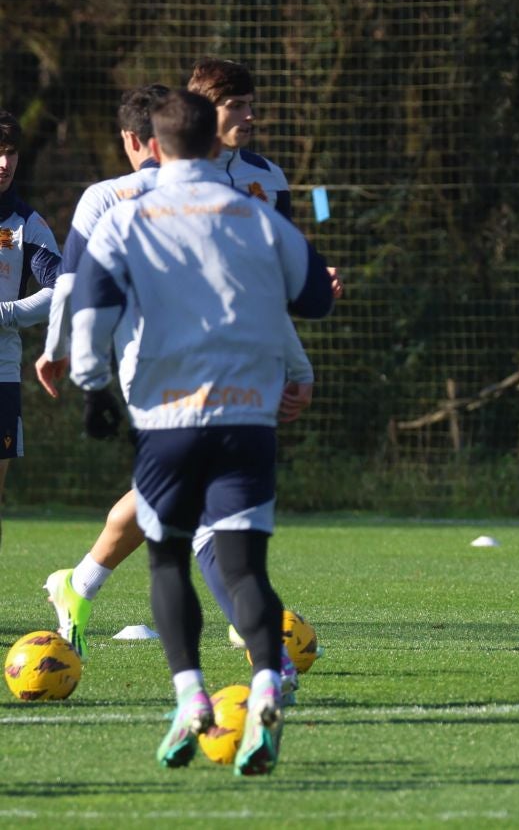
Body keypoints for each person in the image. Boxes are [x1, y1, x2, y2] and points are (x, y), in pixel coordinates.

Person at [68, 90, 334, 773]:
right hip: (248, 417)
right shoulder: (257, 216)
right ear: (216, 146)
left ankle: (191, 697)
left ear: (152, 148)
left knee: (167, 559)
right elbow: (308, 299)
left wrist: (93, 390)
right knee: (244, 566)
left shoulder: (127, 219)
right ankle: (269, 682)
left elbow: (92, 311)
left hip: (168, 422)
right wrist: (297, 368)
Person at [0, 110, 62, 551]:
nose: (4, 163)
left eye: (10, 153)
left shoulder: (26, 224)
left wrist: (6, 314)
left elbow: (64, 288)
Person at [186, 57, 292, 219]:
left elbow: (284, 242)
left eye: (250, 105)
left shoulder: (270, 174)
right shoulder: (170, 176)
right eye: (236, 106)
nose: (249, 116)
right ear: (202, 109)